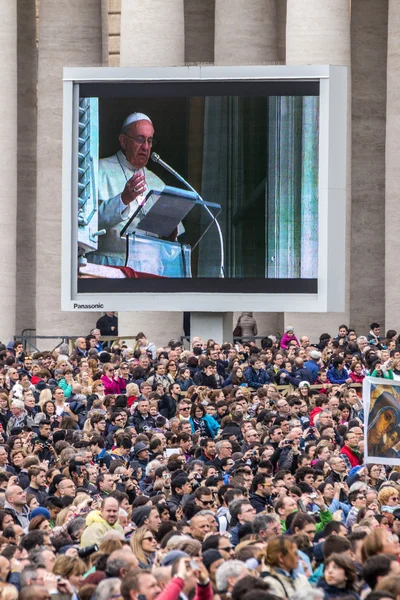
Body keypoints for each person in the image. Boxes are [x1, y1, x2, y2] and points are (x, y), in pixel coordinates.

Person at [88, 112, 172, 267]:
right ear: (124, 141)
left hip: (150, 267)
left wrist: (170, 234)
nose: (146, 147)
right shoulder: (98, 170)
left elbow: (169, 245)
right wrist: (123, 200)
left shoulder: (158, 183)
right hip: (109, 264)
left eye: (150, 140)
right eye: (140, 139)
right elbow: (87, 223)